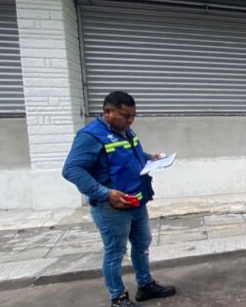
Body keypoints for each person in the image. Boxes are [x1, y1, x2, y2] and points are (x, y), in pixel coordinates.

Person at [62, 91, 176, 307]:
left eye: (133, 116)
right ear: (108, 112)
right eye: (125, 115)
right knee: (115, 252)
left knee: (142, 244)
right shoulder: (90, 136)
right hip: (111, 207)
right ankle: (118, 297)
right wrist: (105, 193)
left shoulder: (125, 131)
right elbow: (71, 170)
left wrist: (150, 157)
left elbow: (130, 156)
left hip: (136, 201)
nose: (130, 120)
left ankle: (145, 285)